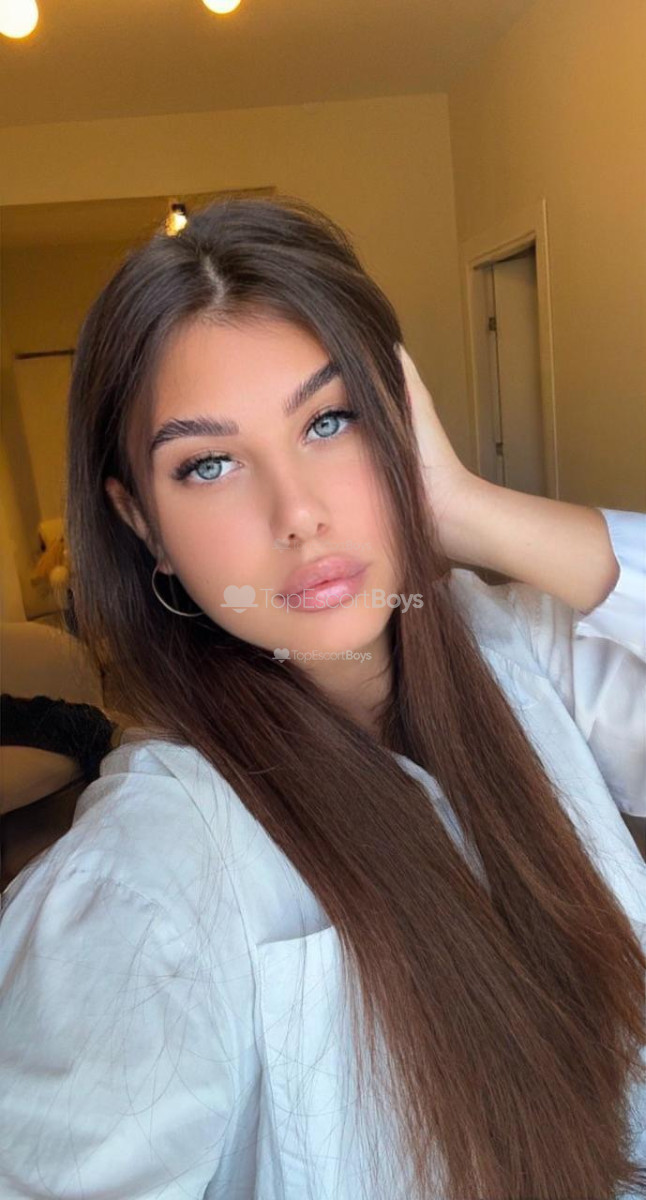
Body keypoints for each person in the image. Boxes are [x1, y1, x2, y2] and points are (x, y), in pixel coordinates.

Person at [0, 194, 644, 1200]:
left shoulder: (522, 655)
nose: (297, 512)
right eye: (209, 464)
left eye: (331, 421)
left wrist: (467, 510)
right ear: (143, 523)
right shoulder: (144, 883)